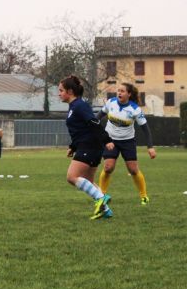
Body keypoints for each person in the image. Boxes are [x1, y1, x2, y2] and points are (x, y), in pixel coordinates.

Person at [59, 75, 115, 220]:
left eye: (61, 90)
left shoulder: (79, 105)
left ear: (70, 91)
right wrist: (72, 146)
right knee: (88, 181)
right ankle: (106, 210)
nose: (59, 93)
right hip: (88, 145)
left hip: (89, 146)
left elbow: (93, 122)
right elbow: (80, 129)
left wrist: (106, 139)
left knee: (72, 177)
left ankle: (101, 198)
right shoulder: (74, 106)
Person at [97, 83, 156, 205]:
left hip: (127, 141)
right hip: (110, 139)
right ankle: (101, 196)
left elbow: (146, 129)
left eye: (122, 91)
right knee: (108, 167)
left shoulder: (135, 109)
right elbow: (99, 116)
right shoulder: (111, 102)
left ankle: (144, 196)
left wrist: (150, 147)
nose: (119, 93)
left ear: (129, 94)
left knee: (133, 170)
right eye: (118, 91)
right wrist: (91, 125)